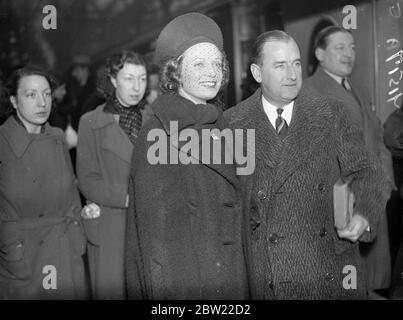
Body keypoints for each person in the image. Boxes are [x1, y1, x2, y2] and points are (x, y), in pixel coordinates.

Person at [224, 30, 389, 299]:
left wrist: (363, 215)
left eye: (296, 63)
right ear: (257, 72)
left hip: (328, 269)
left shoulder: (331, 113)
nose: (292, 74)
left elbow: (369, 172)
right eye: (280, 65)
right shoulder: (233, 123)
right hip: (266, 273)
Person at [125, 12, 250, 300]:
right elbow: (158, 244)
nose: (212, 72)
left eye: (217, 63)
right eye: (199, 64)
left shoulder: (223, 123)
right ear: (175, 72)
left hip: (229, 275)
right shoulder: (157, 133)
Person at [304, 26, 394, 298]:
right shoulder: (309, 92)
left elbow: (377, 140)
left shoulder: (357, 88)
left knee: (364, 280)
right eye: (340, 47)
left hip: (370, 195)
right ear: (320, 54)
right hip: (343, 199)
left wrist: (384, 185)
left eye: (352, 47)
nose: (349, 54)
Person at [0, 67, 87, 299]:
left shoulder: (58, 138)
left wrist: (78, 232)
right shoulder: (2, 144)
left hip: (65, 251)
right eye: (31, 95)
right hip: (24, 261)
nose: (42, 103)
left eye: (47, 94)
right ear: (14, 101)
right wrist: (11, 249)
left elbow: (71, 195)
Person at [76, 51, 150, 299]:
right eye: (129, 78)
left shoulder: (156, 119)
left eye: (142, 79)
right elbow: (86, 179)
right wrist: (127, 197)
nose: (137, 87)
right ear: (113, 80)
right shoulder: (90, 122)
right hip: (112, 224)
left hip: (150, 224)